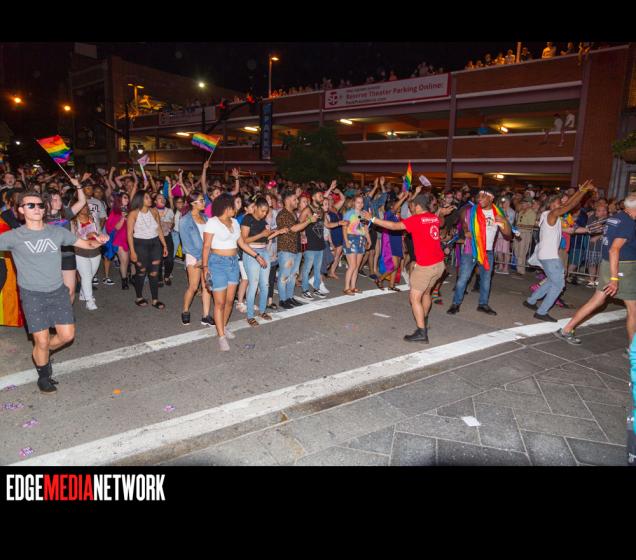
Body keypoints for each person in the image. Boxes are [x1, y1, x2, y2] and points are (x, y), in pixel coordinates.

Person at [0, 190, 108, 393]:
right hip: (32, 294)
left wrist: (100, 239)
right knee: (41, 340)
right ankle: (44, 374)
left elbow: (86, 244)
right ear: (21, 210)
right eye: (31, 205)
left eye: (40, 205)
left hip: (57, 291)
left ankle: (42, 352)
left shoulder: (57, 232)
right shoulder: (13, 236)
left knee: (67, 336)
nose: (37, 208)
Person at [362, 193, 454, 342]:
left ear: (417, 206)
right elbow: (440, 221)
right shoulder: (433, 217)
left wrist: (372, 218)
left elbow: (394, 226)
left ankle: (421, 332)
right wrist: (442, 212)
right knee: (426, 293)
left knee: (414, 298)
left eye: (412, 206)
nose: (411, 208)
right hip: (439, 264)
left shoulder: (416, 219)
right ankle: (423, 320)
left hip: (426, 266)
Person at [555, 192, 636, 351]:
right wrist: (614, 279)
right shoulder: (628, 223)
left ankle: (566, 329)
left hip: (609, 264)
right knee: (633, 310)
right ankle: (633, 350)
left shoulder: (615, 217)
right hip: (621, 268)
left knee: (597, 301)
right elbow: (614, 249)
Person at [201, 194, 268, 351]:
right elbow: (206, 246)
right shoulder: (212, 222)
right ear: (226, 207)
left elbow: (242, 244)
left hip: (233, 263)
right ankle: (221, 336)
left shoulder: (235, 223)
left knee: (230, 301)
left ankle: (223, 327)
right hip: (217, 263)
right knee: (219, 302)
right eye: (233, 206)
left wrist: (257, 256)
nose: (236, 209)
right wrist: (205, 267)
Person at [523, 180, 595, 321]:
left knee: (552, 280)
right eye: (557, 203)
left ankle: (531, 301)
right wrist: (583, 191)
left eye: (560, 203)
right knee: (559, 284)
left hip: (545, 254)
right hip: (549, 256)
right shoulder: (553, 214)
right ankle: (541, 312)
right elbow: (570, 205)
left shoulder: (547, 214)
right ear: (551, 204)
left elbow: (568, 204)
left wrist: (579, 191)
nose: (560, 205)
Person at [447, 189, 512, 316]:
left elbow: (508, 234)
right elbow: (464, 223)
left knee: (486, 280)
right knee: (463, 279)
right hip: (471, 249)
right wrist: (466, 231)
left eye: (483, 196)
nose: (479, 199)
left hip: (487, 252)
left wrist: (504, 222)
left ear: (491, 198)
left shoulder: (497, 213)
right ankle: (455, 303)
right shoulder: (471, 211)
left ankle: (483, 304)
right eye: (478, 196)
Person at [240, 196, 287, 326]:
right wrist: (262, 234)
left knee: (265, 284)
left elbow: (266, 238)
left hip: (264, 251)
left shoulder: (263, 221)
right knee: (253, 284)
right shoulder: (248, 218)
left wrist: (278, 232)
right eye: (262, 210)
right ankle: (250, 316)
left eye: (266, 211)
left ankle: (262, 311)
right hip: (251, 253)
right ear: (255, 207)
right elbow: (244, 240)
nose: (264, 213)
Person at [45, 180, 87, 302]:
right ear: (46, 202)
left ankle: (67, 312)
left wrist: (78, 185)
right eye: (55, 200)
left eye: (59, 199)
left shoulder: (65, 214)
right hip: (49, 258)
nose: (59, 202)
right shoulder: (40, 218)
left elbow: (82, 201)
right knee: (52, 291)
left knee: (70, 291)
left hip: (67, 255)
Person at [127, 190, 169, 309]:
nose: (150, 199)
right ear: (140, 199)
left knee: (154, 273)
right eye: (147, 198)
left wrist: (164, 245)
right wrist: (132, 251)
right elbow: (129, 234)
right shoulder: (133, 214)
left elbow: (159, 229)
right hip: (140, 245)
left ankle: (155, 299)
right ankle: (139, 297)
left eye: (149, 197)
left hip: (155, 244)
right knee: (141, 272)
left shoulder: (154, 211)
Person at [179, 191, 213, 327]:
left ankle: (206, 315)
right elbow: (186, 244)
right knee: (193, 287)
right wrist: (200, 258)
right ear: (193, 203)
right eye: (201, 200)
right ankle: (185, 310)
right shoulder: (185, 220)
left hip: (207, 256)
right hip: (194, 256)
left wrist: (208, 256)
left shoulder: (205, 218)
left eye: (203, 200)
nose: (204, 202)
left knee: (206, 286)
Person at [276, 190, 313, 309]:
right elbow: (294, 229)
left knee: (293, 275)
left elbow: (297, 230)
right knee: (284, 276)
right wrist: (309, 220)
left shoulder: (292, 213)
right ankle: (283, 300)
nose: (297, 201)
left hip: (296, 248)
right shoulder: (283, 214)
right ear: (287, 200)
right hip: (286, 249)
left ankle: (289, 297)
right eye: (295, 199)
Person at [71, 204, 103, 311]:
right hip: (80, 252)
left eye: (86, 206)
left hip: (95, 250)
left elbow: (99, 232)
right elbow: (71, 238)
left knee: (91, 275)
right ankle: (89, 300)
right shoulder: (73, 221)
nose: (85, 208)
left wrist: (98, 236)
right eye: (82, 206)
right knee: (86, 276)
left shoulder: (92, 218)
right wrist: (86, 236)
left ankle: (83, 293)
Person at [299, 188, 328, 299]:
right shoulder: (307, 210)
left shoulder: (321, 210)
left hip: (320, 244)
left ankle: (316, 288)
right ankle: (305, 290)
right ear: (313, 197)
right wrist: (303, 235)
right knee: (307, 268)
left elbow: (327, 225)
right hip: (310, 244)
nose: (322, 198)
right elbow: (299, 224)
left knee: (317, 269)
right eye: (320, 196)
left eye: (322, 196)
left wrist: (340, 223)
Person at [343, 195, 372, 295]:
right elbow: (344, 228)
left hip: (361, 240)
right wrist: (346, 241)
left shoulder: (363, 214)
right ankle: (346, 288)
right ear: (354, 203)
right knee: (352, 265)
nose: (360, 204)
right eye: (358, 202)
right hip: (351, 238)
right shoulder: (349, 213)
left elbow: (365, 228)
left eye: (361, 202)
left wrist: (369, 240)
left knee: (357, 266)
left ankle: (353, 287)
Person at [105, 192, 131, 290]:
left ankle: (131, 277)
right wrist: (123, 217)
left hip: (129, 238)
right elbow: (115, 228)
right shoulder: (115, 212)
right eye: (125, 197)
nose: (127, 199)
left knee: (130, 261)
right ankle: (124, 280)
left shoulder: (130, 211)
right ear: (119, 199)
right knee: (124, 261)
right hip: (119, 240)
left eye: (127, 198)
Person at [154, 193, 175, 286]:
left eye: (163, 198)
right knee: (158, 259)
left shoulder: (169, 211)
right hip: (156, 237)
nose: (162, 199)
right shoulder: (152, 211)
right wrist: (163, 223)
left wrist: (170, 225)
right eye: (159, 198)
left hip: (167, 237)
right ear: (155, 201)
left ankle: (166, 276)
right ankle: (159, 278)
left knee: (170, 259)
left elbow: (173, 224)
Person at [513, 197, 537, 275]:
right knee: (516, 251)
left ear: (529, 204)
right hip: (518, 233)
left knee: (522, 252)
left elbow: (532, 226)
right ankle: (518, 268)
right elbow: (517, 223)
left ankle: (520, 270)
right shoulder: (521, 212)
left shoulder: (532, 213)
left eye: (524, 203)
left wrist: (522, 226)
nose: (522, 204)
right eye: (522, 203)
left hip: (525, 234)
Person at [494, 196, 516, 274]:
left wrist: (504, 218)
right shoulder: (500, 210)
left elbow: (510, 222)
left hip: (506, 234)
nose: (504, 204)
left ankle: (506, 268)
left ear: (509, 203)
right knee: (499, 251)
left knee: (506, 251)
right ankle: (500, 266)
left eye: (506, 202)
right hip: (499, 233)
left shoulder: (512, 212)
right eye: (503, 202)